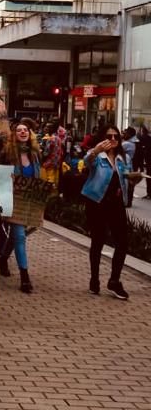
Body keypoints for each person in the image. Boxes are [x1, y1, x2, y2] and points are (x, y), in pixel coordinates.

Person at [82, 125, 137, 300]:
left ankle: (114, 281)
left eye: (116, 136)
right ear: (102, 137)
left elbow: (126, 176)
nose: (113, 139)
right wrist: (96, 151)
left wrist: (132, 179)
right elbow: (87, 162)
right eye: (109, 136)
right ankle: (94, 279)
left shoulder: (123, 157)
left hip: (116, 204)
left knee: (122, 242)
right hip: (97, 202)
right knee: (98, 240)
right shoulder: (98, 155)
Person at [0, 121, 40, 294]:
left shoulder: (35, 153)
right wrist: (1, 201)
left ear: (30, 134)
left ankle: (3, 257)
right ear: (14, 135)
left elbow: (38, 176)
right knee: (20, 236)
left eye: (25, 130)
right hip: (12, 199)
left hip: (29, 200)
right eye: (19, 130)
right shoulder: (7, 153)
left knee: (19, 234)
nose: (23, 132)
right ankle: (25, 276)